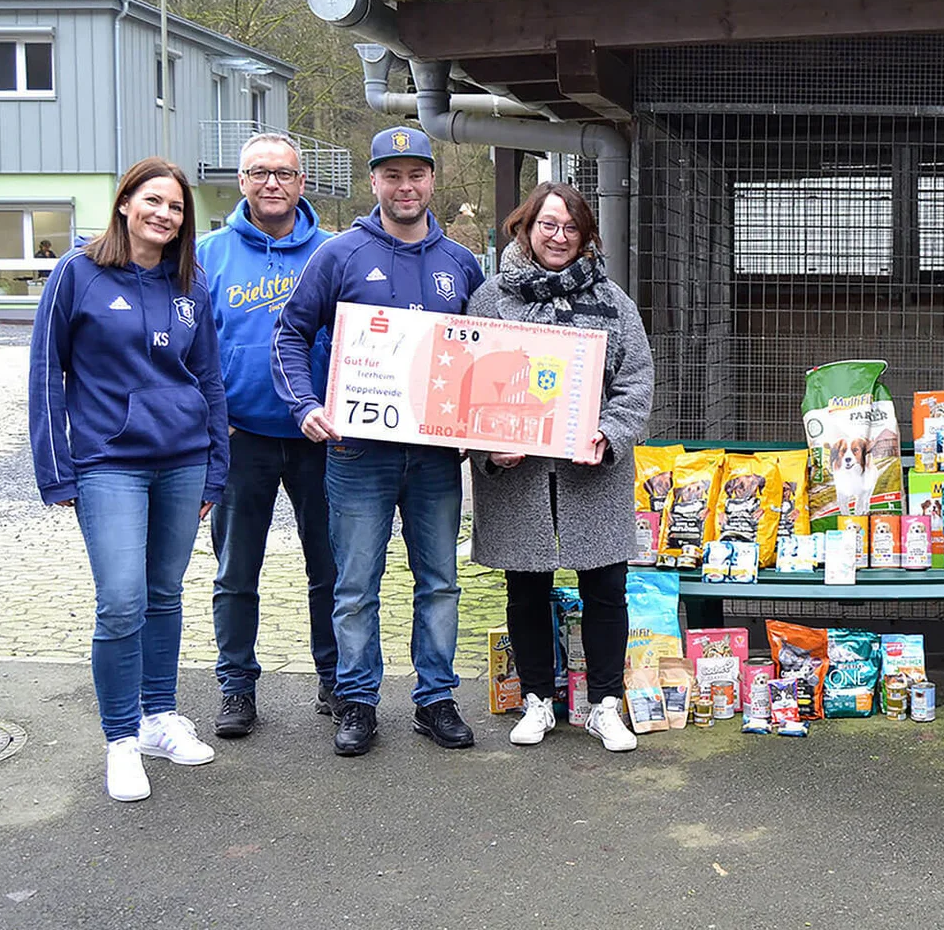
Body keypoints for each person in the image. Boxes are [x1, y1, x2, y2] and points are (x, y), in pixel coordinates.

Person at [272, 127, 485, 757]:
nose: (405, 186)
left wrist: (481, 422)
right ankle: (357, 699)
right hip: (357, 453)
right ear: (374, 182)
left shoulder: (461, 264)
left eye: (415, 174)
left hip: (436, 456)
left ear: (431, 179)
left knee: (440, 580)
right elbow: (288, 335)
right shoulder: (337, 255)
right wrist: (305, 405)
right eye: (391, 175)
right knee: (356, 584)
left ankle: (436, 699)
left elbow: (485, 354)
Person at [29, 157, 229, 802]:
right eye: (152, 201)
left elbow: (210, 381)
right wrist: (55, 471)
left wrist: (214, 471)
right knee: (121, 600)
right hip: (107, 464)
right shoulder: (76, 274)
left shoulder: (189, 282)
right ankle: (120, 739)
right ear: (124, 204)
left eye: (175, 207)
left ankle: (158, 720)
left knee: (164, 592)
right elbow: (45, 376)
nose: (164, 215)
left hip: (182, 460)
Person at [469, 182, 655, 753]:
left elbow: (636, 381)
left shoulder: (613, 302)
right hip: (518, 474)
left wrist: (609, 433)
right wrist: (488, 447)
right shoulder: (490, 299)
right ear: (525, 228)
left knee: (606, 587)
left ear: (586, 235)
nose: (559, 237)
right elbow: (468, 384)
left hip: (589, 473)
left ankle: (604, 705)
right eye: (547, 225)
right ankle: (537, 699)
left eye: (571, 228)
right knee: (525, 588)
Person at [198, 132, 338, 738]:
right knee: (236, 571)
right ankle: (235, 686)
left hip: (322, 437)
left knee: (332, 567)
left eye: (283, 173)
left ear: (302, 182)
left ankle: (337, 679)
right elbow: (189, 347)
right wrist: (211, 418)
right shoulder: (206, 255)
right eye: (259, 173)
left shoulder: (336, 253)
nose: (271, 183)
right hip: (241, 437)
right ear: (242, 181)